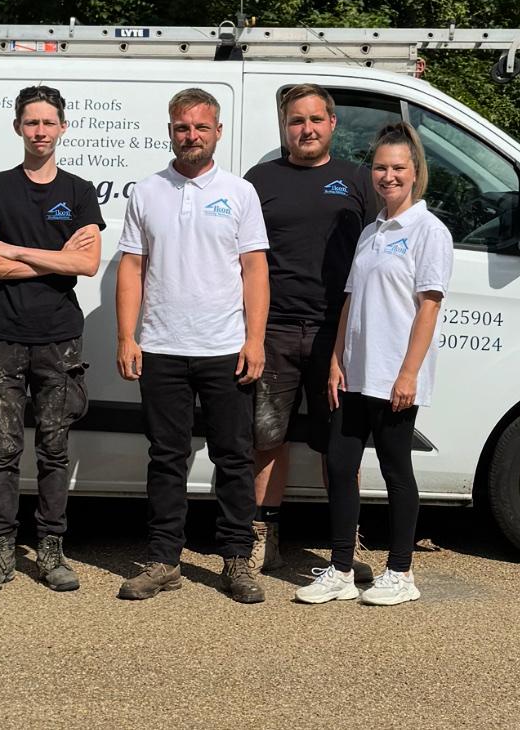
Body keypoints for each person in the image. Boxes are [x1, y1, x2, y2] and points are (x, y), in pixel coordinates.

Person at [114, 87, 270, 603]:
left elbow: (254, 271)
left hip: (225, 346)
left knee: (233, 457)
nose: (192, 136)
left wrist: (254, 339)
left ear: (218, 132)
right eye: (183, 127)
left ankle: (235, 561)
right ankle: (163, 560)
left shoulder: (240, 193)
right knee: (166, 458)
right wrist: (126, 336)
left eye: (201, 127)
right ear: (170, 131)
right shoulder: (147, 191)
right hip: (160, 346)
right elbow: (131, 269)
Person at [296, 121, 453, 607]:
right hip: (356, 372)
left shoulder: (429, 231)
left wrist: (408, 373)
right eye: (381, 168)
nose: (388, 176)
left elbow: (429, 306)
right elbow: (350, 300)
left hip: (394, 376)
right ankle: (342, 568)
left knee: (394, 470)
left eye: (398, 168)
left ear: (415, 172)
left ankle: (401, 573)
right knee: (340, 465)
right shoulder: (370, 232)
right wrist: (337, 359)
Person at [0, 85, 105, 594]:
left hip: (59, 338)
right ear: (18, 127)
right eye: (31, 123)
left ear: (63, 128)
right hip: (3, 336)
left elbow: (86, 264)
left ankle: (51, 552)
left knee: (53, 450)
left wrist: (16, 250)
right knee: (3, 451)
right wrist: (52, 257)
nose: (40, 132)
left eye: (48, 123)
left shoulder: (80, 191)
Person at [243, 84, 374, 582]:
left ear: (333, 124)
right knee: (267, 437)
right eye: (297, 121)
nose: (307, 129)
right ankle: (264, 537)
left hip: (335, 334)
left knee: (339, 443)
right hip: (273, 329)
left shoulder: (358, 181)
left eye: (316, 119)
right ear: (285, 126)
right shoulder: (260, 180)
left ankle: (345, 543)